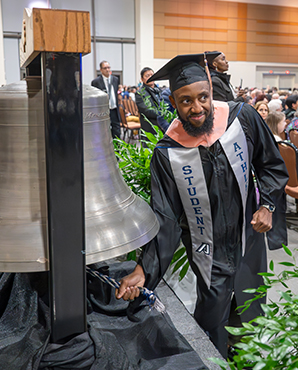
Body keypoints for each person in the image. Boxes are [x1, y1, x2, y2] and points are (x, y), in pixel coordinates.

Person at [116, 53, 288, 359]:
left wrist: (268, 206)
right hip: (208, 254)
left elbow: (271, 166)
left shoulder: (242, 119)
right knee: (212, 328)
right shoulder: (168, 153)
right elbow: (165, 218)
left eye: (203, 97)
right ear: (173, 101)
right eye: (185, 101)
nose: (197, 108)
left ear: (210, 87)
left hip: (249, 241)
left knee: (254, 318)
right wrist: (145, 268)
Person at [91, 61, 120, 138]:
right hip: (103, 110)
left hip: (114, 108)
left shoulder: (115, 79)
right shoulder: (96, 82)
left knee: (116, 130)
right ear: (101, 70)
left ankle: (118, 149)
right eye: (105, 68)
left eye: (108, 67)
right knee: (104, 130)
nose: (107, 70)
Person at [135, 67, 163, 136]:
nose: (150, 77)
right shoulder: (140, 93)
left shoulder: (159, 90)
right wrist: (163, 114)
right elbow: (148, 111)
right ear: (142, 79)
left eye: (152, 75)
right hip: (150, 127)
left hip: (163, 125)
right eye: (147, 76)